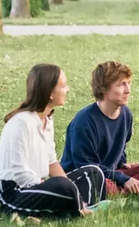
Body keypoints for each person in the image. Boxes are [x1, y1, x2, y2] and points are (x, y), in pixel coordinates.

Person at [0, 64, 106, 217]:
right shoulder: (21, 123)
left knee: (93, 173)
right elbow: (19, 173)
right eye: (63, 86)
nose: (68, 89)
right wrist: (52, 186)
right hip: (14, 193)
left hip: (40, 186)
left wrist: (69, 187)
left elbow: (52, 164)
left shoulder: (47, 120)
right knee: (62, 186)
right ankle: (76, 209)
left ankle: (76, 207)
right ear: (50, 93)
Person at [61, 61, 139, 195]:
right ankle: (121, 190)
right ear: (104, 89)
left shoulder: (126, 114)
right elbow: (87, 167)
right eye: (121, 85)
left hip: (110, 173)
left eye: (128, 83)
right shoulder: (83, 122)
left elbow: (121, 144)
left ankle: (119, 191)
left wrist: (121, 163)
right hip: (85, 177)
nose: (128, 90)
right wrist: (122, 178)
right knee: (102, 184)